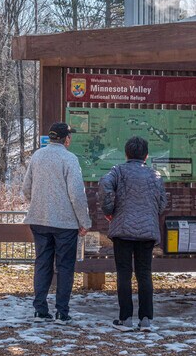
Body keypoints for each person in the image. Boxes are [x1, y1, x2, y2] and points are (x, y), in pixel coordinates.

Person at [22, 122, 92, 325]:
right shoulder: (69, 159)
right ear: (66, 139)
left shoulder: (37, 156)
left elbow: (26, 188)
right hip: (65, 223)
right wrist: (84, 221)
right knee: (65, 267)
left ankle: (40, 309)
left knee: (42, 263)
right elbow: (77, 195)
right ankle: (62, 311)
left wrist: (38, 202)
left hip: (39, 219)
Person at [99, 136, 167, 332]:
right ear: (146, 155)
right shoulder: (155, 175)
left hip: (123, 231)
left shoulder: (118, 171)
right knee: (144, 274)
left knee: (124, 274)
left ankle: (125, 318)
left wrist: (109, 210)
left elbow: (105, 185)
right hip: (146, 233)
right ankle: (146, 319)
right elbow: (162, 203)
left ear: (126, 153)